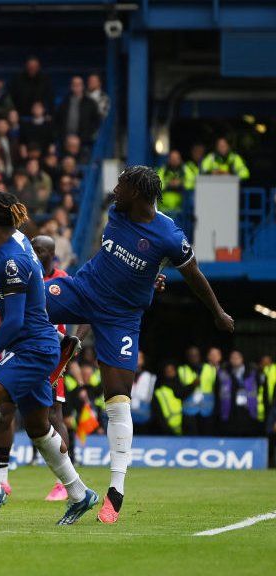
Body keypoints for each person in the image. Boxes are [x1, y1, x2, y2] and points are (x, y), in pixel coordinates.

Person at [43, 166, 234, 524]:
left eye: (122, 184)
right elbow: (124, 258)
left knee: (117, 398)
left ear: (139, 192)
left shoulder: (169, 235)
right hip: (85, 289)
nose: (115, 190)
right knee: (30, 302)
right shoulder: (118, 210)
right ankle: (59, 342)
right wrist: (148, 277)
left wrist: (218, 312)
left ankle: (115, 491)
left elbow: (194, 276)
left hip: (121, 317)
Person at [0, 193, 98, 525]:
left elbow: (16, 321)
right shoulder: (17, 241)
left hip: (32, 348)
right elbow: (25, 292)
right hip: (38, 344)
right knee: (37, 426)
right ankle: (79, 494)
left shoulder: (10, 259)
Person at [0, 234, 75, 503]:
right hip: (21, 350)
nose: (34, 252)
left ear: (52, 254)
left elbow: (86, 310)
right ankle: (1, 480)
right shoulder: (25, 271)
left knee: (53, 414)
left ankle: (63, 483)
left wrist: (75, 340)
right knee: (3, 413)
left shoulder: (62, 279)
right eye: (33, 247)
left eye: (39, 249)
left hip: (50, 354)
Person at [178, 345, 216, 436]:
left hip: (207, 411)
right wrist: (192, 385)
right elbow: (178, 392)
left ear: (200, 356)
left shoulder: (210, 368)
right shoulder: (181, 370)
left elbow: (216, 390)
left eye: (196, 355)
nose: (193, 357)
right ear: (187, 357)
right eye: (191, 355)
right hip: (189, 412)